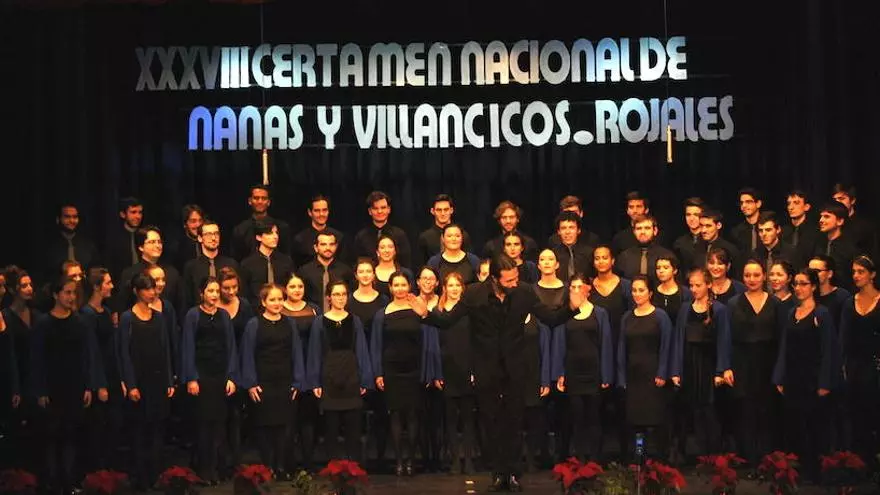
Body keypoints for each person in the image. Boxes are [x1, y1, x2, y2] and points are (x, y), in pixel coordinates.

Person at [416, 254, 574, 491]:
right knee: (491, 422)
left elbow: (550, 318)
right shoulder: (474, 294)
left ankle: (513, 473)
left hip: (515, 367)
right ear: (494, 279)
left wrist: (571, 307)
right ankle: (498, 473)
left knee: (514, 421)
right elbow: (448, 321)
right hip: (486, 368)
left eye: (515, 278)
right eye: (509, 280)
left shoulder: (524, 292)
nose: (514, 283)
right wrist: (425, 315)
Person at [30, 276, 104, 493]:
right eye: (67, 292)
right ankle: (53, 483)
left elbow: (86, 356)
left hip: (75, 386)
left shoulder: (80, 322)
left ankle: (69, 481)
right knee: (52, 437)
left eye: (74, 293)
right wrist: (40, 390)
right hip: (53, 387)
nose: (71, 297)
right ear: (56, 294)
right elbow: (37, 359)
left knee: (71, 435)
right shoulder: (43, 324)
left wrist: (88, 386)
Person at [370, 272, 440, 476]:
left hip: (414, 368)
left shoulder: (417, 309)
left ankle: (411, 461)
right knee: (395, 414)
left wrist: (427, 370)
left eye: (403, 285)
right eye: (396, 285)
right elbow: (377, 345)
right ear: (390, 288)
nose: (400, 288)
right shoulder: (382, 313)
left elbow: (427, 340)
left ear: (409, 286)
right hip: (392, 369)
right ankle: (399, 461)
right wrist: (378, 373)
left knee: (413, 414)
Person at [773, 268, 838, 481]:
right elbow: (785, 346)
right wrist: (779, 377)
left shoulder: (822, 314)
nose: (798, 288)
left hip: (812, 378)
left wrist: (825, 382)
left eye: (803, 284)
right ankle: (796, 470)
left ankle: (815, 471)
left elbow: (828, 350)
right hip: (793, 378)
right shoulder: (792, 312)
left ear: (813, 287)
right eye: (796, 284)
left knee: (814, 426)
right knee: (794, 425)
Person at [239, 284, 305, 481]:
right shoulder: (254, 324)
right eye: (272, 299)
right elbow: (247, 354)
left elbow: (296, 352)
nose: (277, 303)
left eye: (279, 299)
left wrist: (298, 381)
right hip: (263, 382)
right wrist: (251, 383)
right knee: (265, 426)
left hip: (285, 381)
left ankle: (281, 466)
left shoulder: (289, 323)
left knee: (285, 426)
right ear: (263, 302)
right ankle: (267, 467)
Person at [117, 273, 176, 490]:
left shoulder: (159, 317)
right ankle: (141, 478)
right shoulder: (127, 318)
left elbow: (165, 349)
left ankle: (156, 475)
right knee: (139, 431)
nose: (152, 292)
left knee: (158, 430)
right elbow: (124, 353)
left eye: (153, 288)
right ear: (137, 291)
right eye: (147, 289)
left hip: (158, 379)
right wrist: (131, 384)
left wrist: (169, 380)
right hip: (139, 381)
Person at [306, 279, 373, 461]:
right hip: (329, 377)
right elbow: (314, 352)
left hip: (351, 377)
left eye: (343, 294)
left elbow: (361, 350)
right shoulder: (320, 322)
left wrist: (365, 379)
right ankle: (333, 466)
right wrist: (315, 382)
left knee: (353, 428)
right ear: (328, 297)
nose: (340, 298)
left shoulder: (354, 321)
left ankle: (353, 466)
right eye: (336, 294)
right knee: (331, 428)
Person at [180, 277, 239, 484]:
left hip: (220, 375)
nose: (214, 295)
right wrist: (191, 378)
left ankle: (217, 469)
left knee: (219, 424)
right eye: (210, 291)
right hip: (202, 375)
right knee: (204, 424)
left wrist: (231, 376)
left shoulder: (223, 315)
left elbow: (231, 346)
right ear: (201, 293)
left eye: (216, 291)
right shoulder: (193, 315)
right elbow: (188, 346)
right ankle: (203, 470)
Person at [551, 274, 613, 462]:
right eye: (573, 287)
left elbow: (606, 344)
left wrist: (606, 374)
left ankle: (594, 458)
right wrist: (560, 373)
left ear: (588, 289)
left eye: (580, 287)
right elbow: (559, 344)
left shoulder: (600, 313)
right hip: (573, 372)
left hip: (593, 372)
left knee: (594, 417)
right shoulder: (565, 313)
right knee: (576, 416)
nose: (576, 291)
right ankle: (579, 458)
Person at [726, 261, 781, 468]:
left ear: (764, 276)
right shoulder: (733, 303)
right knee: (745, 413)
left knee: (767, 412)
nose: (751, 279)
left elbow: (781, 338)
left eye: (756, 275)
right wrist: (726, 367)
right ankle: (747, 460)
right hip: (742, 364)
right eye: (747, 275)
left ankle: (767, 461)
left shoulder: (775, 303)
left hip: (768, 363)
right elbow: (727, 338)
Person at [673, 268, 732, 459]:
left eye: (698, 285)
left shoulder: (719, 309)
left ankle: (714, 454)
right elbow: (679, 339)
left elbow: (724, 340)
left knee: (710, 411)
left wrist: (721, 370)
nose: (694, 289)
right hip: (689, 364)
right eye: (691, 285)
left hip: (709, 365)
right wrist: (676, 370)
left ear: (708, 285)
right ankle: (697, 454)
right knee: (693, 409)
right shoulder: (685, 308)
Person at [616, 276, 676, 462]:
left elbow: (667, 345)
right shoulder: (627, 317)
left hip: (653, 374)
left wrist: (662, 373)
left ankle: (661, 459)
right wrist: (622, 378)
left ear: (650, 293)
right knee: (636, 422)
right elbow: (621, 348)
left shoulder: (660, 316)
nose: (637, 294)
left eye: (641, 290)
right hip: (634, 376)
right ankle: (639, 456)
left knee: (657, 420)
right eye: (634, 290)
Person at [345, 258, 390, 468]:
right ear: (356, 275)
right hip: (355, 360)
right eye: (361, 271)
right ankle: (357, 460)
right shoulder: (348, 301)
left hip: (380, 357)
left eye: (368, 271)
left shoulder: (383, 300)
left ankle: (380, 457)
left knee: (381, 412)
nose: (365, 275)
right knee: (356, 413)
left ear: (374, 275)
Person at [432, 272, 475, 474]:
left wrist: (474, 370)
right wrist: (437, 372)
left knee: (467, 418)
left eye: (458, 285)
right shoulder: (438, 312)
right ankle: (455, 460)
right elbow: (434, 345)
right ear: (444, 288)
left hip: (466, 368)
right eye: (450, 285)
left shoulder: (469, 312)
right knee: (449, 418)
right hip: (447, 369)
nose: (454, 289)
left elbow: (476, 342)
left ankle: (469, 459)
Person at [839, 255, 880, 464]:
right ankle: (856, 463)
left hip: (876, 365)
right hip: (854, 366)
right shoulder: (849, 303)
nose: (856, 276)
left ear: (872, 275)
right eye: (854, 272)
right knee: (855, 414)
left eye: (861, 271)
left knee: (874, 413)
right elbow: (843, 339)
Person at [80, 268, 123, 471]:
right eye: (108, 282)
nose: (112, 286)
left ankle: (110, 472)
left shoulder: (105, 311)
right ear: (97, 287)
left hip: (111, 373)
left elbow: (112, 347)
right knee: (99, 427)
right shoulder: (87, 314)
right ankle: (98, 473)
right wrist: (100, 385)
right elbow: (92, 351)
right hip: (100, 377)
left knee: (114, 424)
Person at [214, 267, 254, 473]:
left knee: (237, 415)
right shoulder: (212, 306)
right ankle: (219, 461)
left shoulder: (244, 305)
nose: (230, 292)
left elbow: (250, 336)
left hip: (239, 364)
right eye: (226, 288)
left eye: (234, 287)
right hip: (216, 365)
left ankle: (236, 461)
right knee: (218, 415)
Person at [279, 273, 319, 471]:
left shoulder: (313, 309)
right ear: (285, 289)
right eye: (293, 287)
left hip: (310, 366)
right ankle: (288, 464)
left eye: (300, 286)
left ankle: (309, 463)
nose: (297, 290)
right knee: (288, 419)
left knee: (308, 419)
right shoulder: (279, 309)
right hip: (287, 367)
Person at [115, 226, 183, 315]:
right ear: (141, 247)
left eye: (159, 242)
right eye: (152, 242)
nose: (157, 246)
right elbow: (123, 306)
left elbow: (180, 306)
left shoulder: (172, 273)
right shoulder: (130, 274)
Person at [182, 220, 239, 309]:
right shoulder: (191, 267)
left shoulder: (231, 264)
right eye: (208, 234)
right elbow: (187, 300)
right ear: (200, 238)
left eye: (216, 234)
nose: (213, 238)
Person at [239, 221, 295, 306]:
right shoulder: (247, 264)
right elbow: (244, 293)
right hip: (256, 310)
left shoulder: (286, 261)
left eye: (276, 233)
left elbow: (292, 286)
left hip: (283, 308)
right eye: (270, 233)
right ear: (259, 237)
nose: (275, 236)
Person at [353, 191, 412, 270]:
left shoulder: (400, 235)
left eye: (383, 207)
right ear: (370, 211)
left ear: (389, 209)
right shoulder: (361, 237)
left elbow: (406, 264)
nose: (379, 211)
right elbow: (357, 264)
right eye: (375, 208)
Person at [232, 185, 293, 260]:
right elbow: (236, 259)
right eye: (256, 198)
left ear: (268, 202)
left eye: (264, 198)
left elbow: (287, 257)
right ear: (250, 201)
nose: (260, 201)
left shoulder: (282, 227)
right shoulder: (240, 230)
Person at [44, 203, 100, 282]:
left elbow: (96, 270)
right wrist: (61, 267)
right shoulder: (48, 246)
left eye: (75, 217)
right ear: (58, 219)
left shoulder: (88, 244)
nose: (72, 220)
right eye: (67, 217)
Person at [297, 232, 353, 312]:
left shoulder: (345, 270)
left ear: (336, 246)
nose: (328, 248)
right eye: (323, 244)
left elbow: (350, 297)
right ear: (316, 247)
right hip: (312, 316)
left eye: (331, 244)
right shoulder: (304, 271)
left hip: (339, 316)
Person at [614, 215, 675, 284]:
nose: (642, 232)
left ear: (655, 231)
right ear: (634, 232)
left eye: (647, 228)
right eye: (639, 228)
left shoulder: (667, 255)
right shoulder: (624, 257)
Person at [292, 195, 346, 268]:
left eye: (324, 210)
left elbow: (344, 266)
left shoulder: (339, 237)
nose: (321, 214)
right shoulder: (300, 239)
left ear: (328, 211)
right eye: (317, 211)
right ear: (310, 212)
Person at [417, 194, 472, 265]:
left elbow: (469, 261)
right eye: (439, 210)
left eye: (446, 209)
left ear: (451, 210)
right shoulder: (425, 237)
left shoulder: (462, 235)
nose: (443, 213)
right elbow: (421, 266)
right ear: (432, 211)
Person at [815, 202, 859, 291]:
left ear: (840, 221)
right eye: (821, 216)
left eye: (826, 216)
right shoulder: (817, 243)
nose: (821, 220)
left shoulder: (849, 248)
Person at [832, 183, 877, 258]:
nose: (837, 202)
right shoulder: (830, 223)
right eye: (834, 199)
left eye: (841, 199)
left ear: (852, 200)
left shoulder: (864, 226)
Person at [550, 211, 596, 283]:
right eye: (563, 228)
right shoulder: (553, 254)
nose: (567, 232)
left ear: (578, 230)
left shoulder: (590, 253)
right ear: (558, 231)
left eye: (571, 227)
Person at [106, 197, 144, 282]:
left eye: (140, 212)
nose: (138, 216)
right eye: (133, 212)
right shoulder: (114, 238)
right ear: (123, 214)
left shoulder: (145, 236)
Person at [809, 255, 852, 326]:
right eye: (809, 271)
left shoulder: (842, 297)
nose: (812, 275)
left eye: (817, 271)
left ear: (829, 274)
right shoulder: (806, 295)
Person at [695, 209, 741, 275]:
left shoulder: (730, 249)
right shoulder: (697, 247)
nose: (703, 230)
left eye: (708, 226)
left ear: (718, 225)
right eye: (701, 225)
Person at [782, 190, 821, 264]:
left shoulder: (815, 232)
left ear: (806, 207)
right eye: (789, 203)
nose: (791, 207)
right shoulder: (782, 231)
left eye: (796, 203)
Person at [652, 255, 692, 325]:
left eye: (666, 267)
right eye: (658, 268)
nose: (661, 271)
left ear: (675, 270)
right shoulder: (652, 291)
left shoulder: (685, 293)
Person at [672, 197, 705, 272]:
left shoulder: (710, 241)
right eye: (688, 215)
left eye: (696, 215)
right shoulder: (679, 243)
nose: (691, 218)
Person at [171, 204, 205, 272]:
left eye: (200, 220)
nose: (198, 225)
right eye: (193, 221)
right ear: (185, 224)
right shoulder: (178, 246)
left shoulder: (209, 241)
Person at [730, 188, 763, 254]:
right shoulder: (736, 232)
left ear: (758, 204)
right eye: (741, 203)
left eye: (748, 202)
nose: (744, 205)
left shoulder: (768, 228)